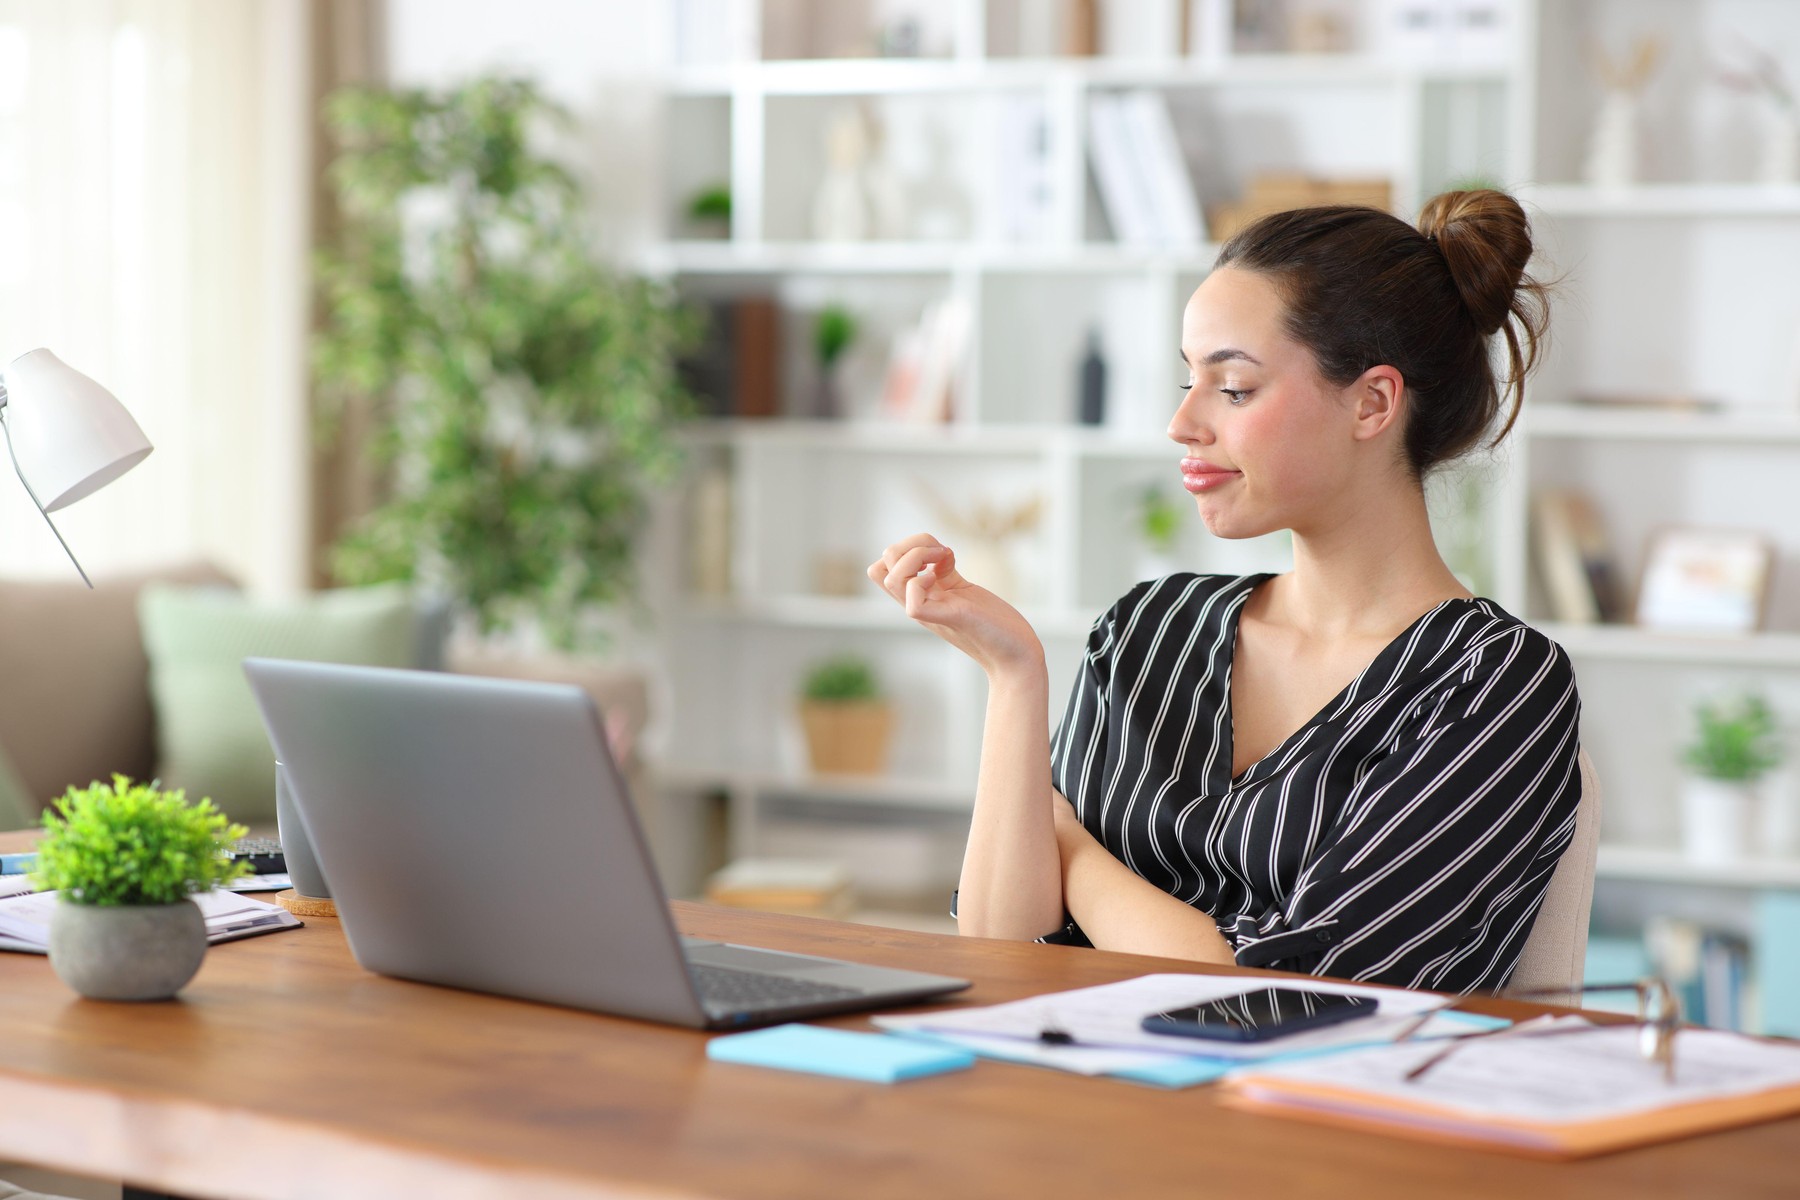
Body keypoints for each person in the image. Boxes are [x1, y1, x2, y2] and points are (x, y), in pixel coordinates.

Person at [866, 190, 1581, 993]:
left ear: (1373, 402)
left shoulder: (1496, 683)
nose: (1184, 424)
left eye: (1233, 388)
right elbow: (1001, 948)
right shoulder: (1148, 630)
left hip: (1310, 1116)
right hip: (1076, 1093)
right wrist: (1013, 676)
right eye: (1187, 382)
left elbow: (1295, 1000)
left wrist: (1071, 850)